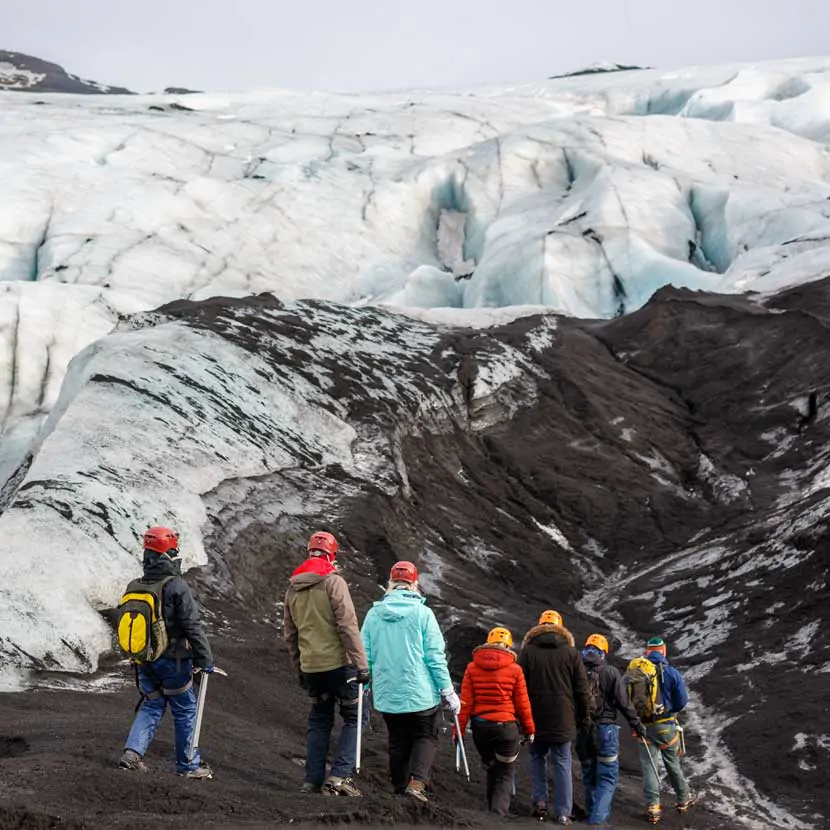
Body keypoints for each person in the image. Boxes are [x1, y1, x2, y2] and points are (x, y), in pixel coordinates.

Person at [360, 560, 459, 803]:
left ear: (390, 584)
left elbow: (365, 655)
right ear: (414, 584)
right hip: (421, 694)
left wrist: (365, 685)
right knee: (426, 735)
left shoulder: (374, 615)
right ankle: (417, 783)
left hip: (387, 696)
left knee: (397, 740)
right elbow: (435, 657)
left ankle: (398, 788)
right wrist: (448, 691)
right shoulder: (423, 614)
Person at [119, 526, 214, 778]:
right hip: (174, 660)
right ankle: (188, 766)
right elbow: (191, 625)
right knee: (184, 709)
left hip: (143, 659)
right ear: (169, 553)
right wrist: (205, 659)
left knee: (152, 705)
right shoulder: (175, 585)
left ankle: (132, 753)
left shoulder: (134, 585)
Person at [284, 531, 369, 797]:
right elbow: (347, 625)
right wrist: (362, 665)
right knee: (355, 717)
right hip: (339, 665)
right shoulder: (334, 582)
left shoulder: (292, 589)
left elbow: (290, 634)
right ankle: (340, 777)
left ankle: (312, 780)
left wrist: (299, 667)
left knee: (320, 719)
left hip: (312, 668)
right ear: (332, 554)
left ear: (309, 552)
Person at [455, 627, 535, 817]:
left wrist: (456, 732)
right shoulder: (515, 670)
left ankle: (491, 812)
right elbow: (522, 704)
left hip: (480, 728)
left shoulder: (472, 668)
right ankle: (497, 815)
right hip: (507, 728)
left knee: (492, 766)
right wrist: (529, 730)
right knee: (505, 772)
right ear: (508, 645)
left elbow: (465, 704)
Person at [519, 610, 589, 824]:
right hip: (563, 717)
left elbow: (519, 687)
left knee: (537, 758)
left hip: (535, 716)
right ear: (561, 628)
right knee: (562, 763)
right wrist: (583, 716)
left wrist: (521, 718)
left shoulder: (528, 652)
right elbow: (581, 689)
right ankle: (563, 812)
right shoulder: (571, 653)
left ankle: (539, 803)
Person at [576, 634, 647, 826]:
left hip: (582, 730)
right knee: (607, 777)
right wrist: (637, 725)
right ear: (604, 651)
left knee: (589, 772)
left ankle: (592, 813)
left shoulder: (576, 670)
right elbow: (624, 704)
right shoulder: (610, 672)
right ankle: (597, 821)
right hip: (606, 729)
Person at [633, 637, 695, 824]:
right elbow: (682, 701)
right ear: (664, 652)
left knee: (649, 766)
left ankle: (653, 808)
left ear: (647, 652)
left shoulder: (638, 672)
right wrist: (670, 709)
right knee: (672, 762)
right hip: (666, 725)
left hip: (644, 726)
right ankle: (683, 799)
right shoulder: (672, 672)